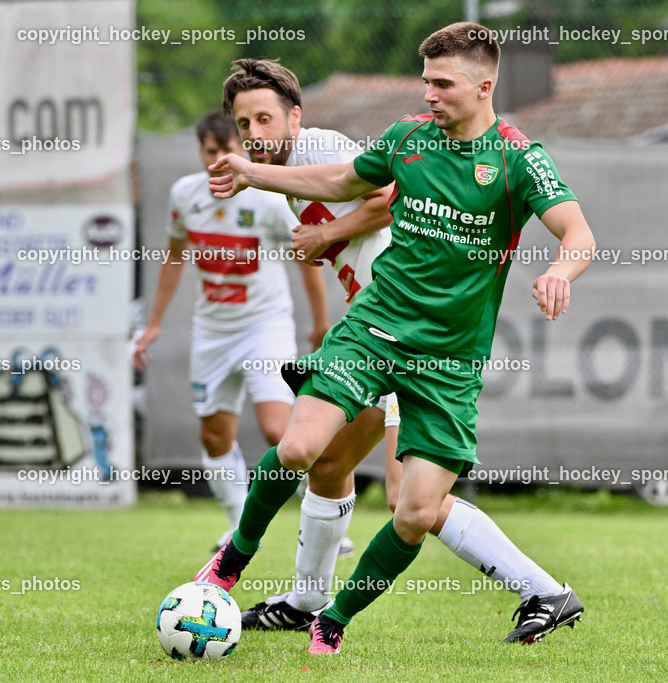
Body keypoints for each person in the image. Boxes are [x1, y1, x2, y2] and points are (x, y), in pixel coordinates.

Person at [197, 23, 596, 655]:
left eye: (442, 84)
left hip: (448, 359)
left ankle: (331, 612)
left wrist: (558, 270)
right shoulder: (407, 137)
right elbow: (340, 182)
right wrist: (251, 173)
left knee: (413, 509)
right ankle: (235, 564)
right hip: (374, 326)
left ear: (483, 86)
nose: (429, 94)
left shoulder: (520, 158)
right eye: (425, 82)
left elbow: (578, 234)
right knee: (303, 449)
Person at [134, 111, 329, 549]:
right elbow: (174, 257)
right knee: (214, 435)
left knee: (281, 431)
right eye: (211, 151)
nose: (220, 159)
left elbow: (307, 256)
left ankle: (321, 515)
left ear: (241, 149)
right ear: (201, 151)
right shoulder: (185, 194)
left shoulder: (268, 198)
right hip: (213, 332)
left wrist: (320, 322)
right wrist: (154, 324)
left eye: (229, 150)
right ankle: (240, 527)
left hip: (266, 326)